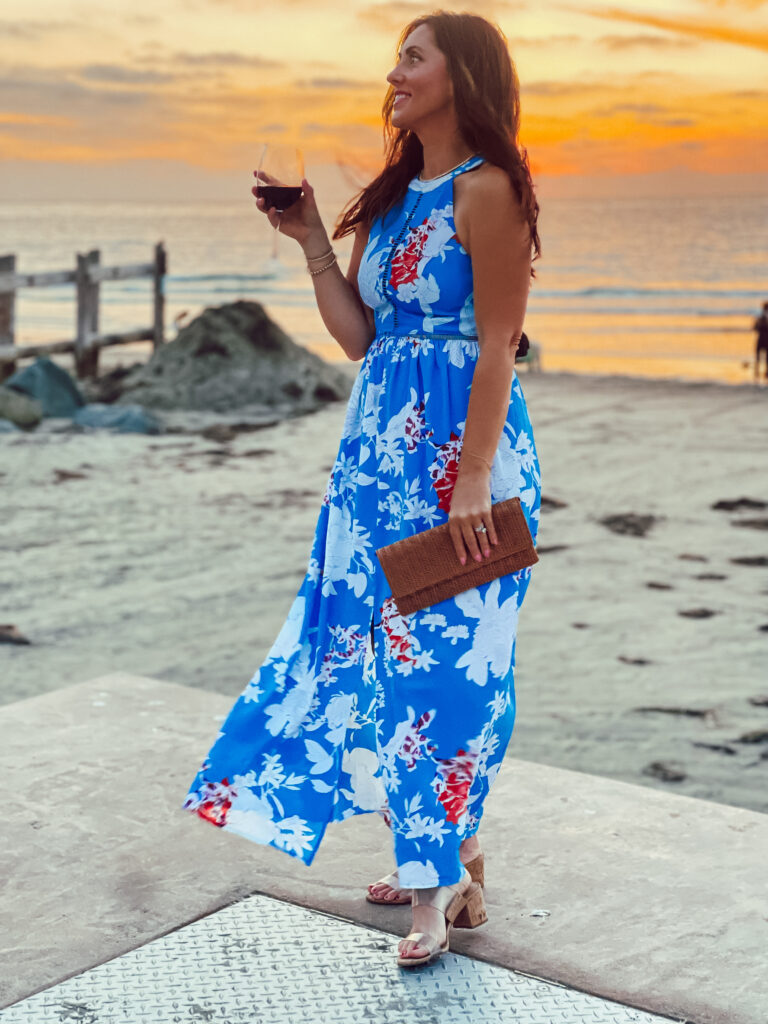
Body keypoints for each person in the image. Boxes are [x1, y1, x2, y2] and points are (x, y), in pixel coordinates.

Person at [182, 10, 542, 969]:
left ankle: (430, 882)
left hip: (464, 464)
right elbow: (358, 338)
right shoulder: (392, 198)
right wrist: (309, 239)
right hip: (376, 465)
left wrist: (469, 482)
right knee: (384, 662)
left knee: (450, 667)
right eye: (396, 60)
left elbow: (499, 342)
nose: (395, 75)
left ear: (462, 76)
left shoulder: (489, 190)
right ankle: (451, 853)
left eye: (412, 59)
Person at [753, 301, 768, 382]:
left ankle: (764, 373)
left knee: (765, 358)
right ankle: (757, 373)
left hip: (764, 340)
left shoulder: (761, 318)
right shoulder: (760, 318)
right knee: (758, 358)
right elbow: (755, 327)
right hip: (761, 339)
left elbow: (755, 327)